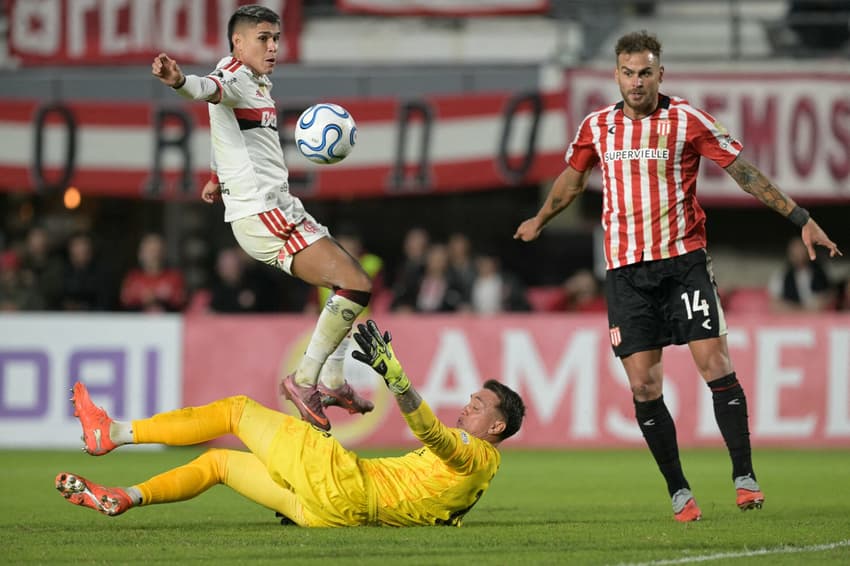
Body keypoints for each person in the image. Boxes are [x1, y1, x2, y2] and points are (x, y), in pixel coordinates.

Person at [514, 31, 842, 522]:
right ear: (616, 75)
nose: (637, 82)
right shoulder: (597, 127)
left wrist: (802, 219)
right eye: (628, 72)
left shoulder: (686, 119)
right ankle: (679, 491)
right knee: (644, 387)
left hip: (683, 263)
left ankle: (744, 476)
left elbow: (743, 172)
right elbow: (573, 178)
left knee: (716, 365)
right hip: (626, 272)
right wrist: (541, 218)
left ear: (660, 74)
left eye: (646, 72)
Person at [55, 320, 526, 527]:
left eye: (479, 406)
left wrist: (398, 382)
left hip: (343, 486)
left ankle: (113, 433)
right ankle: (126, 497)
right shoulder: (478, 476)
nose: (467, 408)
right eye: (470, 400)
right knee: (219, 462)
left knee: (237, 410)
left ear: (497, 429)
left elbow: (433, 435)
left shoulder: (474, 453)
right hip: (334, 515)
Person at [151, 4, 374, 430]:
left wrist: (217, 175)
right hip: (262, 213)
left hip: (279, 205)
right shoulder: (233, 74)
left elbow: (229, 128)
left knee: (346, 280)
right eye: (263, 39)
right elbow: (207, 88)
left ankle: (332, 378)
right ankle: (305, 380)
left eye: (275, 38)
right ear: (238, 42)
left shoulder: (256, 81)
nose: (273, 47)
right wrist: (179, 81)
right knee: (355, 284)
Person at [119, 233, 186, 312]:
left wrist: (159, 299)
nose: (154, 255)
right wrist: (142, 299)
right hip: (137, 321)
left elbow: (181, 301)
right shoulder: (133, 277)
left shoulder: (174, 277)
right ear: (141, 253)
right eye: (149, 250)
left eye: (156, 250)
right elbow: (125, 300)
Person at [767, 237, 833, 312]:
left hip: (816, 314)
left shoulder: (820, 271)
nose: (799, 254)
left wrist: (818, 303)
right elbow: (774, 303)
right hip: (792, 315)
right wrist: (799, 310)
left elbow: (830, 294)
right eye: (795, 252)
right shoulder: (782, 275)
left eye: (801, 250)